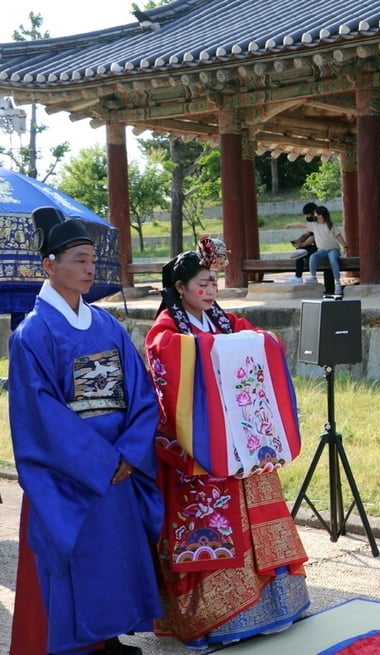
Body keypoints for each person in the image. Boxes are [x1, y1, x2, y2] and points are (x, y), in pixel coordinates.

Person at [8, 206, 163, 655]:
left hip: (119, 465)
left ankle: (108, 638)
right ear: (49, 265)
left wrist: (130, 454)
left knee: (114, 556)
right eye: (78, 259)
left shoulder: (106, 324)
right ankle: (77, 646)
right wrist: (104, 462)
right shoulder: (32, 335)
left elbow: (140, 393)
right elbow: (39, 414)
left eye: (92, 259)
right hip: (72, 475)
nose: (89, 268)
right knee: (75, 557)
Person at [144, 237, 310, 648]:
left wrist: (250, 343)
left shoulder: (224, 322)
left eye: (214, 282)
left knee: (258, 517)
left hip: (243, 448)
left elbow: (263, 342)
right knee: (211, 527)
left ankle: (274, 607)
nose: (210, 290)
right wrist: (219, 351)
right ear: (179, 288)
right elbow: (169, 361)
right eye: (202, 283)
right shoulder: (166, 330)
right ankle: (215, 619)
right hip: (197, 449)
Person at [285, 201, 335, 293]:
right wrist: (299, 241)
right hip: (319, 249)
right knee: (300, 251)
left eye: (308, 215)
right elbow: (308, 233)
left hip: (323, 250)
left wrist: (302, 245)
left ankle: (298, 276)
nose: (306, 217)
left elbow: (313, 237)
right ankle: (298, 276)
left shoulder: (320, 222)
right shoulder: (313, 221)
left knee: (301, 251)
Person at [307, 205, 347, 296]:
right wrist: (290, 225)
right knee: (313, 257)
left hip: (333, 249)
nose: (315, 215)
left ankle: (337, 283)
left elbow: (338, 236)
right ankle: (313, 277)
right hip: (322, 250)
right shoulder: (314, 225)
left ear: (322, 215)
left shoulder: (331, 224)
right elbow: (302, 223)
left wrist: (345, 246)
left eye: (317, 214)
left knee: (333, 260)